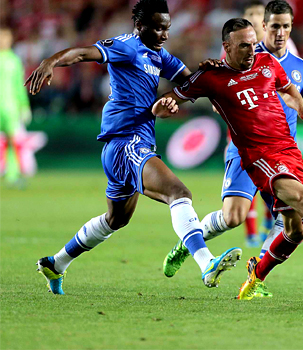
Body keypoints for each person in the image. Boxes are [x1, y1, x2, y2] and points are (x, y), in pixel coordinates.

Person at [29, 0, 241, 295]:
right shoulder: (126, 46)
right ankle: (206, 263)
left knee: (116, 220)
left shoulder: (159, 55)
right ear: (139, 26)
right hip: (126, 140)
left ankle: (57, 262)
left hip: (126, 146)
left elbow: (190, 83)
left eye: (166, 27)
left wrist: (209, 72)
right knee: (179, 193)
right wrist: (50, 61)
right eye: (157, 28)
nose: (164, 34)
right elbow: (82, 53)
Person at [153, 17, 303, 301]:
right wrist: (166, 105)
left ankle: (255, 278)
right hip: (257, 155)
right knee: (245, 215)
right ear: (226, 47)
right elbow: (166, 103)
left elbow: (290, 90)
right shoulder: (210, 77)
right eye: (244, 45)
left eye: (254, 43)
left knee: (296, 229)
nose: (252, 50)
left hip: (288, 151)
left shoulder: (269, 64)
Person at [219, 0, 299, 247]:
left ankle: (259, 264)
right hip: (245, 138)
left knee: (288, 212)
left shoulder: (288, 50)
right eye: (250, 15)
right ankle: (250, 231)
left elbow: (293, 87)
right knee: (236, 211)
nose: (254, 18)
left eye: (257, 14)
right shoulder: (234, 51)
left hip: (277, 141)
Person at [0, 27, 31, 187]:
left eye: (6, 38)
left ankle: (12, 174)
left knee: (12, 141)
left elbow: (20, 86)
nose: (3, 41)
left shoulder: (14, 60)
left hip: (10, 106)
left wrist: (24, 105)